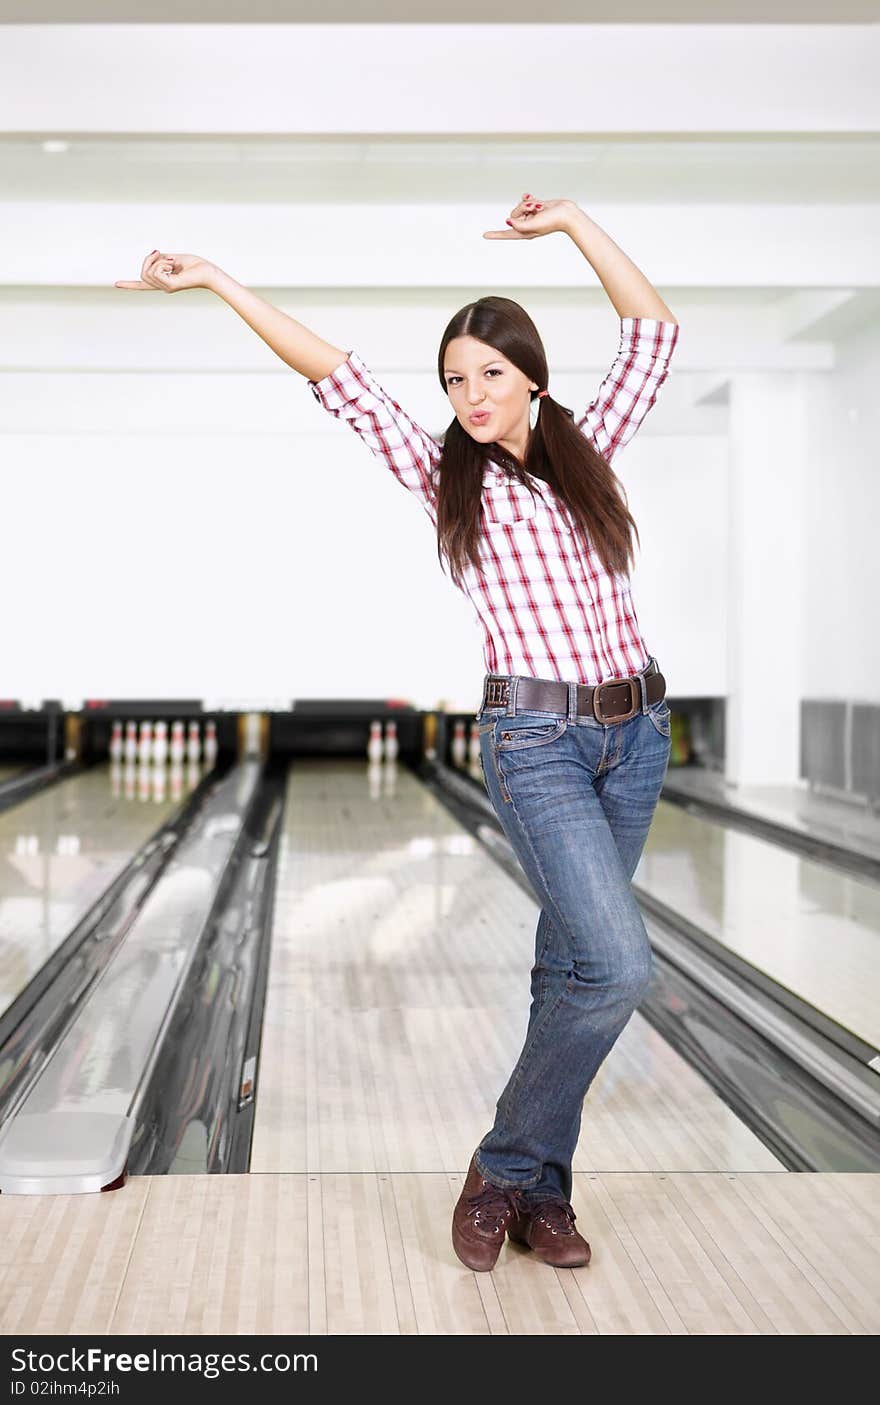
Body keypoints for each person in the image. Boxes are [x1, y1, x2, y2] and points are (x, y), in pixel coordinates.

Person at [114, 193, 679, 1273]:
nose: (469, 395)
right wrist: (221, 279)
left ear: (533, 381)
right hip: (537, 743)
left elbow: (651, 331)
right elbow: (336, 376)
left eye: (490, 375)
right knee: (616, 968)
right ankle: (505, 1163)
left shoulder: (589, 450)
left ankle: (534, 1194)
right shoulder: (440, 473)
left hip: (637, 733)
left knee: (569, 970)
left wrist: (573, 224)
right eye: (455, 379)